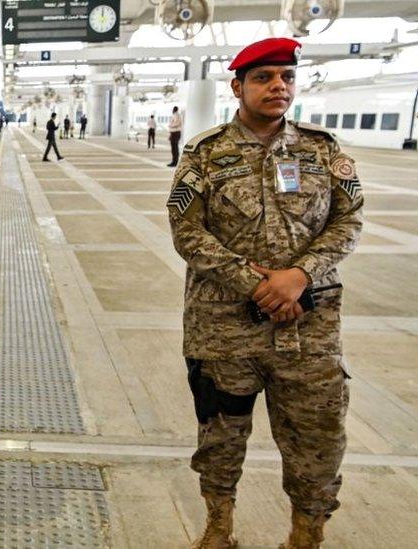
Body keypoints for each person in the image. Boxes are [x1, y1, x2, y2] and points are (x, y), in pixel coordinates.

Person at [166, 37, 363, 549]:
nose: (278, 86)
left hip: (309, 332)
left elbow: (348, 221)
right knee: (220, 439)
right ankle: (219, 528)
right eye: (263, 77)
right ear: (237, 86)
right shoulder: (206, 155)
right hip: (224, 330)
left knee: (317, 441)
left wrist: (300, 274)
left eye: (286, 77)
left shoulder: (323, 150)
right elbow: (188, 232)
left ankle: (306, 535)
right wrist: (257, 284)